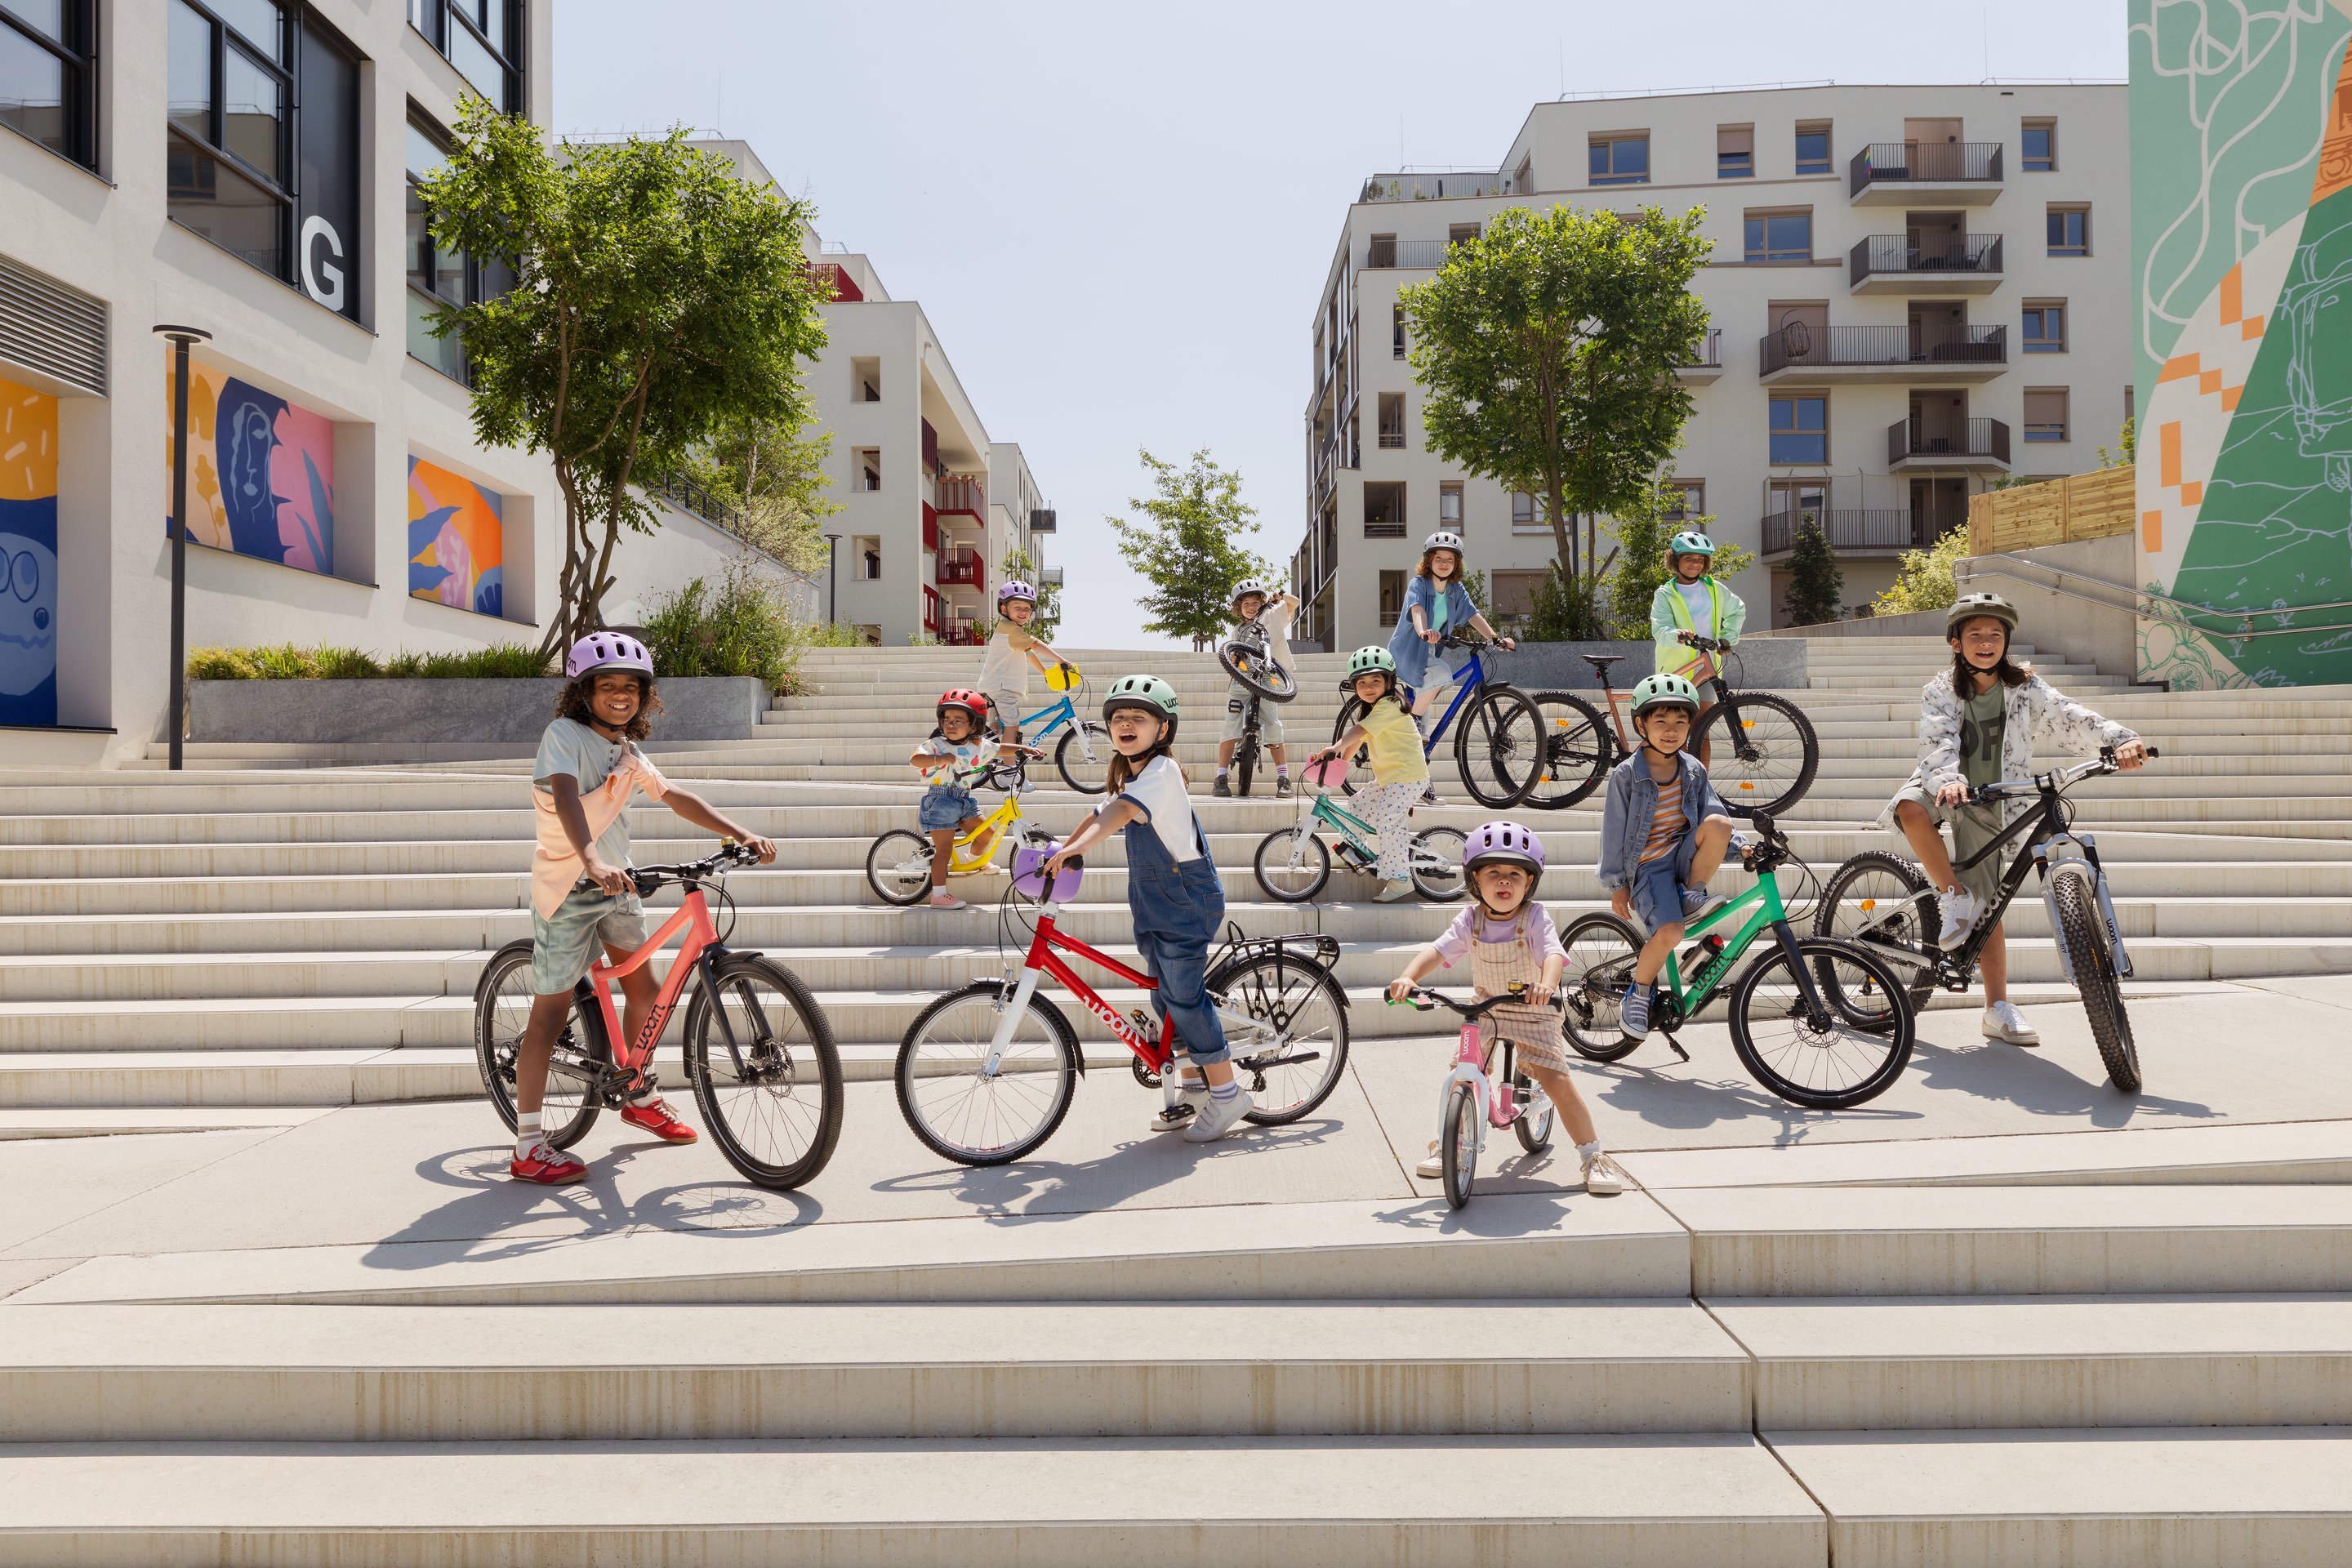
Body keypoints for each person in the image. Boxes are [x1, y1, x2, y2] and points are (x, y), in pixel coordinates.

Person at [511, 632, 777, 1184]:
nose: (620, 696)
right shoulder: (564, 735)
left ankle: (638, 1092)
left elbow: (674, 795)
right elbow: (564, 797)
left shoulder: (627, 753)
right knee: (551, 1014)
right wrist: (589, 860)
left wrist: (740, 831)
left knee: (645, 991)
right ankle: (529, 1145)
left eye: (631, 688)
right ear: (583, 692)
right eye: (607, 686)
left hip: (618, 884)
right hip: (568, 886)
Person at [1883, 591, 2145, 1046]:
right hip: (1943, 783)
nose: (1986, 642)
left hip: (1996, 797)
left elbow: (2069, 715)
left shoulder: (2025, 687)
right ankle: (1951, 894)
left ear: (2006, 641)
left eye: (1996, 634)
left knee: (1991, 908)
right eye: (1975, 634)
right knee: (1910, 808)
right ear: (1955, 642)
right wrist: (1948, 779)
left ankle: (1997, 1008)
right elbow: (1938, 741)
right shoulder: (1940, 690)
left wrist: (2119, 739)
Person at [1043, 675, 1254, 1143]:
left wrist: (1079, 850)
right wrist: (1061, 846)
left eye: (1138, 718)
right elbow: (1101, 812)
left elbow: (1117, 816)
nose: (1125, 724)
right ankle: (1196, 1086)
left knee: (1182, 996)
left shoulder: (1161, 774)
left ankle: (1227, 1094)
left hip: (1186, 898)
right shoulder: (1132, 777)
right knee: (1164, 995)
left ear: (1163, 730)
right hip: (1156, 902)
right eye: (1118, 718)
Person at [1388, 822, 1630, 1196]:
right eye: (1493, 873)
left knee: (1557, 1082)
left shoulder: (1533, 917)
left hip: (1534, 1011)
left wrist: (1547, 985)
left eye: (1515, 874)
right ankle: (1448, 1143)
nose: (1504, 882)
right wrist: (1408, 977)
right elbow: (1438, 950)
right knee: (1462, 1076)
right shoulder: (1470, 920)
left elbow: (1551, 952)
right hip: (1487, 1011)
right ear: (1475, 882)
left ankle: (1592, 1156)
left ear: (1529, 883)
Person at [1597, 673, 1736, 1040]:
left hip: (1683, 855)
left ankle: (1693, 893)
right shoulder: (1627, 775)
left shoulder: (1693, 769)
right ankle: (1639, 993)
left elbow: (1712, 812)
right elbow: (1612, 833)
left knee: (1721, 824)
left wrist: (1743, 848)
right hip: (1648, 867)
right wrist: (1617, 885)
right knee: (1671, 932)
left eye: (1680, 722)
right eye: (1660, 721)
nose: (1671, 730)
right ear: (1641, 724)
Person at [1388, 529, 1515, 805]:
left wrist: (1494, 638)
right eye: (1438, 558)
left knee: (1426, 722)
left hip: (1430, 651)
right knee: (1443, 675)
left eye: (1450, 559)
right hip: (1411, 650)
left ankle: (1420, 779)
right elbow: (1417, 610)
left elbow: (1473, 616)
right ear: (1429, 561)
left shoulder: (1456, 590)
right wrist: (1423, 631)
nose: (1444, 563)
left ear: (1456, 563)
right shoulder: (1419, 584)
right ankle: (1407, 724)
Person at [1310, 646, 1429, 903]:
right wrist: (1341, 762)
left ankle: (1401, 879)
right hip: (1392, 778)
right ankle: (1352, 850)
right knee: (1357, 803)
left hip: (1408, 777)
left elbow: (1356, 733)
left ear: (1389, 682)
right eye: (1361, 682)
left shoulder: (1390, 705)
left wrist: (1334, 747)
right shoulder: (1375, 709)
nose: (1369, 687)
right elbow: (1360, 735)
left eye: (1376, 680)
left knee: (1388, 820)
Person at [1648, 530, 1746, 768]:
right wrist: (1676, 635)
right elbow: (1660, 629)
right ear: (1675, 560)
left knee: (1703, 729)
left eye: (1700, 559)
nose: (1695, 564)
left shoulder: (1715, 589)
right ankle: (1675, 785)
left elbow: (1737, 610)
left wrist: (1727, 638)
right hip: (1676, 671)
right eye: (1689, 558)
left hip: (1705, 666)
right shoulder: (1666, 594)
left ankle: (1701, 786)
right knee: (1677, 731)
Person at [908, 688, 995, 911]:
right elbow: (915, 760)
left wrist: (1024, 748)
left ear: (974, 725)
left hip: (964, 800)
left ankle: (971, 860)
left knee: (986, 833)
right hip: (941, 801)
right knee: (944, 850)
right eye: (947, 720)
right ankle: (939, 895)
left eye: (959, 721)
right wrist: (938, 759)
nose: (951, 725)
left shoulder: (977, 746)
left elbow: (999, 748)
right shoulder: (937, 744)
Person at [1214, 577, 1300, 798]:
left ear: (1262, 602)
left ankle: (1283, 779)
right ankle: (1221, 777)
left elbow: (1295, 603)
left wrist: (1280, 598)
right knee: (1230, 726)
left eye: (1255, 602)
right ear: (1238, 608)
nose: (1251, 607)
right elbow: (1231, 655)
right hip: (1241, 680)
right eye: (1246, 604)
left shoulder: (1270, 616)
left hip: (1267, 680)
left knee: (1273, 726)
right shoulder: (1237, 631)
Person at [976, 581, 1068, 766]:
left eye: (1027, 608)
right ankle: (1009, 770)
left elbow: (1029, 653)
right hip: (1002, 689)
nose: (1023, 612)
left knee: (995, 731)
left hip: (993, 687)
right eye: (1017, 607)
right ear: (1004, 608)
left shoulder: (1012, 632)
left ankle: (988, 763)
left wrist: (1045, 672)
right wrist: (1061, 660)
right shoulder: (1010, 629)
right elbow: (1034, 644)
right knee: (1012, 726)